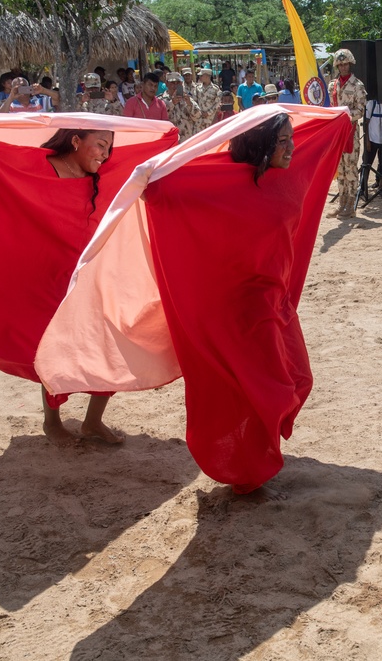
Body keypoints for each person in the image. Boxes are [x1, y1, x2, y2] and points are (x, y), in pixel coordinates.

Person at [34, 106, 353, 501]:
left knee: (293, 381)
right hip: (230, 308)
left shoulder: (287, 174)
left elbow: (316, 149)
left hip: (272, 302)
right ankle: (249, 467)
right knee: (250, 389)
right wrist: (147, 177)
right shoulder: (218, 181)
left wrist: (337, 121)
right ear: (260, 144)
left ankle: (253, 456)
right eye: (283, 140)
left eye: (291, 139)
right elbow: (162, 188)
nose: (292, 147)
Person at [0, 121, 177, 443]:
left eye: (109, 149)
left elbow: (139, 171)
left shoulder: (103, 174)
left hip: (89, 272)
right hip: (45, 273)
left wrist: (164, 142)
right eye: (100, 145)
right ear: (76, 140)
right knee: (49, 341)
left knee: (106, 339)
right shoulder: (37, 167)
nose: (105, 155)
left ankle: (93, 421)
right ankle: (52, 422)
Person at [328, 48, 367, 217]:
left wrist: (346, 117)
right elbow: (331, 107)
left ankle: (351, 204)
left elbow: (360, 110)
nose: (343, 67)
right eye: (340, 64)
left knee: (351, 168)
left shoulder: (357, 85)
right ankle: (342, 202)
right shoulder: (332, 85)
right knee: (340, 169)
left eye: (345, 64)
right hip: (337, 133)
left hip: (350, 131)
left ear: (350, 64)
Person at [361, 99, 382, 193]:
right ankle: (363, 187)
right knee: (367, 163)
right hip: (372, 140)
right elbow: (366, 123)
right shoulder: (371, 104)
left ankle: (381, 187)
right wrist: (367, 140)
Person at [160, 72, 201, 141]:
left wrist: (189, 104)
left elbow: (198, 116)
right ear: (166, 83)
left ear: (182, 83)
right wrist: (172, 103)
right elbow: (160, 118)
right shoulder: (161, 101)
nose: (175, 86)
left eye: (178, 82)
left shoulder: (187, 98)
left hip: (187, 141)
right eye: (172, 83)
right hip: (171, 141)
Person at [193, 68, 221, 133]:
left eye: (201, 75)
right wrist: (198, 112)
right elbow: (194, 101)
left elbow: (217, 103)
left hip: (210, 120)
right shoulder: (197, 88)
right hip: (199, 120)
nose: (200, 77)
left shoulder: (215, 89)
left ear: (207, 76)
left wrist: (208, 113)